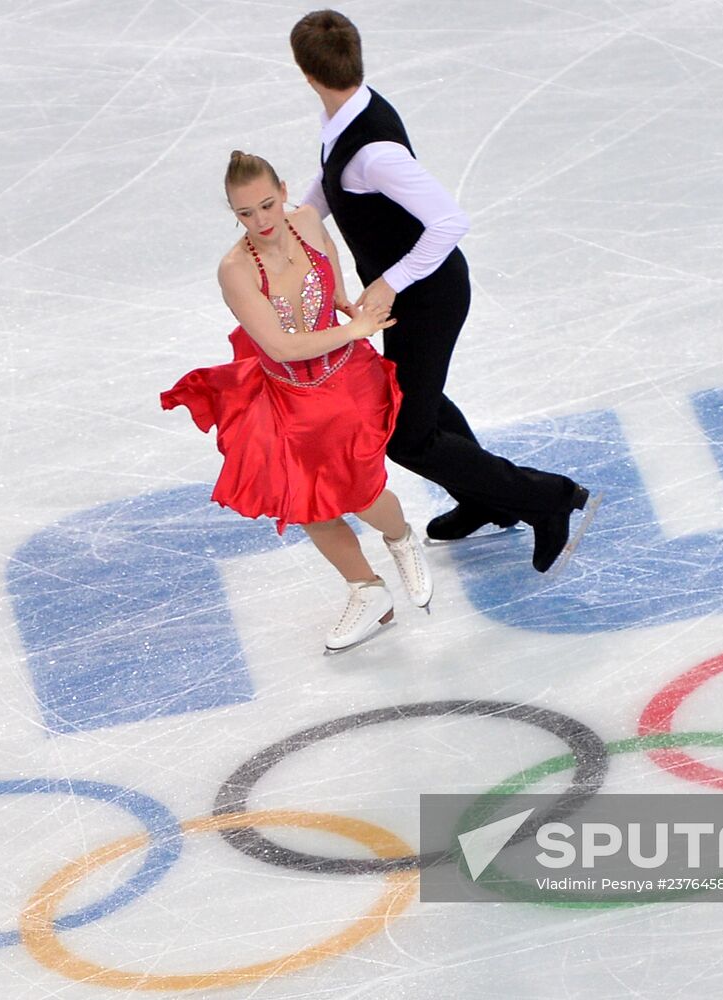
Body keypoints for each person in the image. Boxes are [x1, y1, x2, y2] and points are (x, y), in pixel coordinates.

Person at [289, 9, 594, 574]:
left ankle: (546, 497)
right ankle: (483, 500)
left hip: (430, 296)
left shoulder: (374, 150)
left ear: (305, 73)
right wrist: (290, 223)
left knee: (407, 437)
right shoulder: (348, 118)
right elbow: (330, 186)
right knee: (420, 403)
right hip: (407, 296)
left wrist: (387, 281)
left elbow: (450, 222)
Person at [161, 151, 433, 653]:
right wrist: (355, 328)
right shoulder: (236, 270)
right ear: (233, 213)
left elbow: (330, 273)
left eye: (267, 205)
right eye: (245, 213)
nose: (261, 221)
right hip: (285, 397)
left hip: (343, 382)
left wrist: (344, 305)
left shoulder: (308, 220)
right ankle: (367, 590)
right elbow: (281, 347)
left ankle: (400, 540)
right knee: (307, 505)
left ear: (284, 190)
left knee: (363, 494)